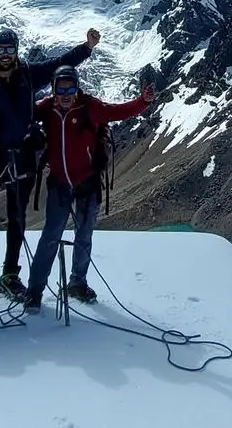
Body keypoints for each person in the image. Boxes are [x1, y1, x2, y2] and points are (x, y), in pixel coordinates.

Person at [0, 23, 100, 312]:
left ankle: (9, 274)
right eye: (0, 50)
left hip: (21, 158)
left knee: (17, 217)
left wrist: (87, 48)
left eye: (10, 50)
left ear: (16, 52)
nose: (6, 55)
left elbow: (60, 64)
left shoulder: (27, 75)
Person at [21, 67, 153, 311]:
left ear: (77, 88)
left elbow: (117, 112)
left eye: (70, 88)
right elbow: (21, 113)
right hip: (60, 184)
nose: (65, 94)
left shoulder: (89, 107)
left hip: (87, 184)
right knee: (51, 236)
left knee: (84, 235)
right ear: (54, 89)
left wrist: (142, 102)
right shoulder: (46, 109)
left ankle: (77, 283)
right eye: (61, 89)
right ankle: (35, 290)